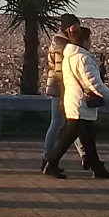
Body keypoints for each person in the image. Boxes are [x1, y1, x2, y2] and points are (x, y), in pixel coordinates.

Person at [42, 25, 109, 180]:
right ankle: (51, 164)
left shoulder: (69, 56)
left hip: (74, 101)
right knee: (69, 137)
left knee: (87, 138)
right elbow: (93, 82)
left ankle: (97, 168)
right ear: (85, 40)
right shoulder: (83, 58)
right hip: (81, 104)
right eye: (89, 39)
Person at [42, 14, 83, 168]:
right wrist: (63, 93)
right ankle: (48, 157)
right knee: (61, 123)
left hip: (60, 87)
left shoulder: (61, 43)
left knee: (69, 123)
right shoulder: (62, 46)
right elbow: (60, 72)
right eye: (76, 27)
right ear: (68, 28)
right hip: (61, 88)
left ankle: (82, 153)